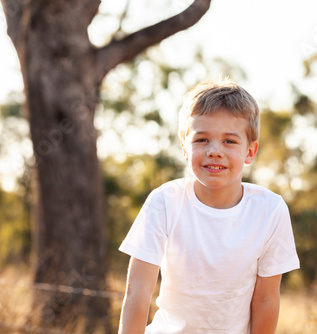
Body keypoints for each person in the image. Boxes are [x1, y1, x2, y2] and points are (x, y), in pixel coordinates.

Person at [118, 79, 300, 334]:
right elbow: (138, 292)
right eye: (202, 140)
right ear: (184, 147)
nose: (215, 151)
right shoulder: (164, 202)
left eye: (230, 141)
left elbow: (266, 299)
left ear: (250, 151)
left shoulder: (270, 210)